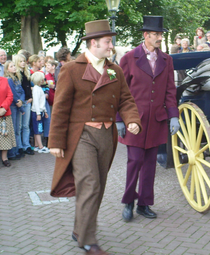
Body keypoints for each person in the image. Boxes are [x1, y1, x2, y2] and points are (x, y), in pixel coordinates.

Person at [48, 19, 141, 255]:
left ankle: (80, 229)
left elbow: (126, 100)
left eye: (111, 41)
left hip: (106, 136)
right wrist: (56, 142)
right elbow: (60, 108)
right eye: (107, 41)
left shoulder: (114, 70)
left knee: (97, 187)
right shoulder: (71, 69)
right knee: (90, 184)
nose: (111, 46)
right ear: (93, 43)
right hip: (81, 136)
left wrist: (132, 120)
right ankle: (88, 241)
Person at [117, 16, 179, 223]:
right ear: (146, 35)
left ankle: (144, 204)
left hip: (157, 121)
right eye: (157, 34)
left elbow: (170, 90)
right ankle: (128, 202)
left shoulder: (167, 60)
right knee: (135, 161)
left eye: (161, 34)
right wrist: (119, 119)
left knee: (150, 163)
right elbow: (119, 91)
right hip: (134, 120)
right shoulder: (128, 58)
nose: (160, 37)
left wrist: (173, 116)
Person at [13, 54, 34, 156]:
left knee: (26, 125)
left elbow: (29, 87)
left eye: (24, 61)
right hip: (20, 103)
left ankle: (26, 145)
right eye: (21, 61)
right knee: (19, 126)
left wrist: (31, 97)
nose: (23, 63)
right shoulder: (16, 75)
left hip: (28, 101)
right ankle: (19, 146)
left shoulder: (27, 73)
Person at [4, 61, 25, 160]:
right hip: (13, 106)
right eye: (11, 66)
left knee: (17, 129)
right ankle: (12, 152)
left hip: (17, 105)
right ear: (7, 69)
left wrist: (21, 100)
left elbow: (22, 91)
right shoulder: (8, 80)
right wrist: (20, 104)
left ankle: (17, 150)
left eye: (13, 65)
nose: (13, 67)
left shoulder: (16, 79)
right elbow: (12, 94)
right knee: (13, 130)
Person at [30, 72, 49, 153]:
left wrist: (45, 111)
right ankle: (41, 147)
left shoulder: (38, 88)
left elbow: (42, 102)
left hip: (39, 111)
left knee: (37, 128)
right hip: (37, 112)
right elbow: (37, 102)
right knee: (38, 129)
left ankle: (36, 145)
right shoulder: (36, 89)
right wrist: (38, 113)